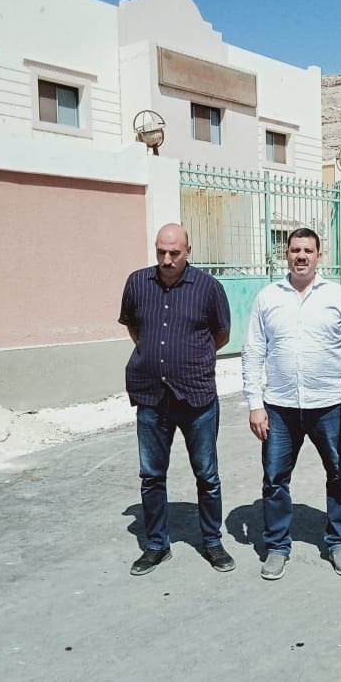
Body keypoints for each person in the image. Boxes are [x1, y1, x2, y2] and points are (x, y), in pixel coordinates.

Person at [119, 223, 234, 576]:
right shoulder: (137, 283)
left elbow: (222, 334)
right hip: (151, 395)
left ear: (188, 251)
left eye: (174, 253)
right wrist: (157, 357)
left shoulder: (208, 288)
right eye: (161, 252)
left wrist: (190, 357)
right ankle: (156, 545)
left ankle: (212, 541)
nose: (167, 259)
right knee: (152, 476)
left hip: (196, 396)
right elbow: (134, 328)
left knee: (207, 475)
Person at [242, 228, 341, 581]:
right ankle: (277, 546)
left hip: (329, 405)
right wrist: (255, 403)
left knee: (338, 475)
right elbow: (253, 351)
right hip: (279, 406)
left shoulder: (338, 296)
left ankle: (339, 542)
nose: (301, 256)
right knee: (275, 479)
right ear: (286, 254)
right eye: (295, 250)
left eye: (308, 250)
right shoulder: (268, 297)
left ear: (319, 255)